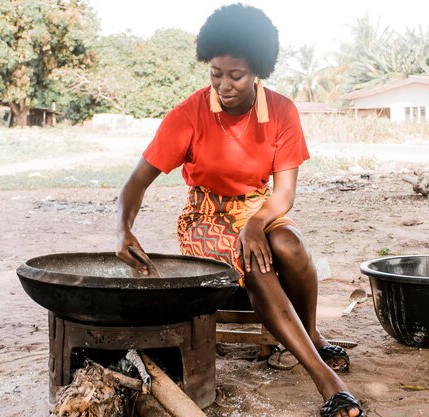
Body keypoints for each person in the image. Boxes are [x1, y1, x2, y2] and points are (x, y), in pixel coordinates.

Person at [115, 4, 364, 417]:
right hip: (204, 218)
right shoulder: (188, 115)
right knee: (258, 262)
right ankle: (328, 383)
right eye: (215, 73)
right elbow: (135, 183)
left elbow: (283, 194)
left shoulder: (282, 112)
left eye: (236, 75)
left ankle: (312, 333)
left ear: (257, 71)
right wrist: (123, 229)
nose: (224, 85)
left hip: (259, 209)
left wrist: (255, 223)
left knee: (291, 244)